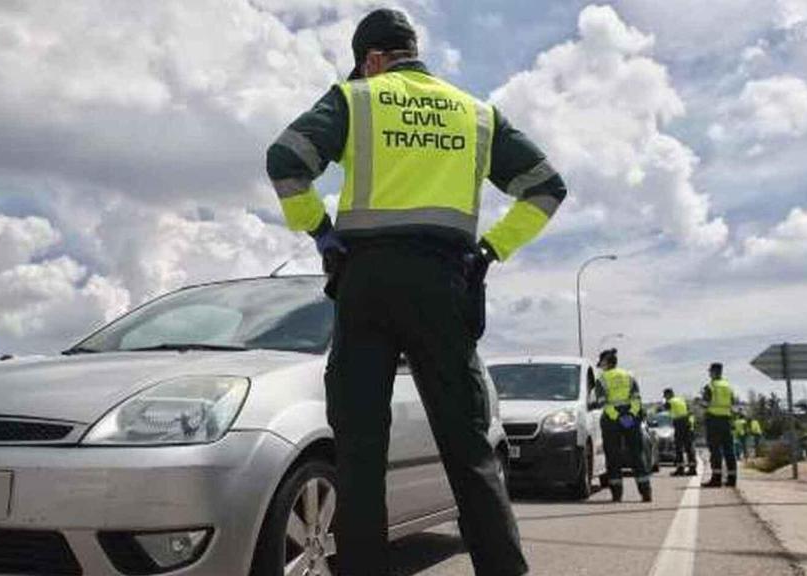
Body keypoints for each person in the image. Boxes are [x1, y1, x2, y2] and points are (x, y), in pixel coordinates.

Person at [266, 8, 567, 575]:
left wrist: (323, 233)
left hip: (367, 283)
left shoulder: (356, 99)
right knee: (471, 452)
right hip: (446, 283)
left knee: (359, 458)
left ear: (372, 60)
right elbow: (546, 188)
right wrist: (491, 250)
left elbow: (286, 160)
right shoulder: (478, 115)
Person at [595, 349, 652, 502]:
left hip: (612, 420)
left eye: (601, 364)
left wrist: (616, 417)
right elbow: (636, 400)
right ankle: (645, 492)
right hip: (630, 418)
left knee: (613, 456)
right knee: (637, 454)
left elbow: (602, 403)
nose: (600, 367)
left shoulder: (602, 379)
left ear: (606, 363)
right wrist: (630, 416)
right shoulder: (629, 376)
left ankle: (617, 494)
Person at [701, 362, 737, 487]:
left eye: (710, 371)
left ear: (714, 372)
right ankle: (732, 479)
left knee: (715, 450)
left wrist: (701, 403)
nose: (709, 373)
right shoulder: (728, 386)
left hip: (714, 420)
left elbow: (705, 404)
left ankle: (716, 479)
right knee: (729, 450)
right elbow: (733, 402)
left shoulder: (710, 386)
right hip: (726, 420)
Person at [663, 388, 697, 476]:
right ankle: (692, 469)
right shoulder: (681, 400)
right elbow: (688, 411)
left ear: (668, 395)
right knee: (689, 448)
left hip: (679, 423)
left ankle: (680, 469)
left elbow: (666, 409)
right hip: (687, 423)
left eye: (665, 396)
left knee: (679, 448)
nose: (665, 398)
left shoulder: (670, 402)